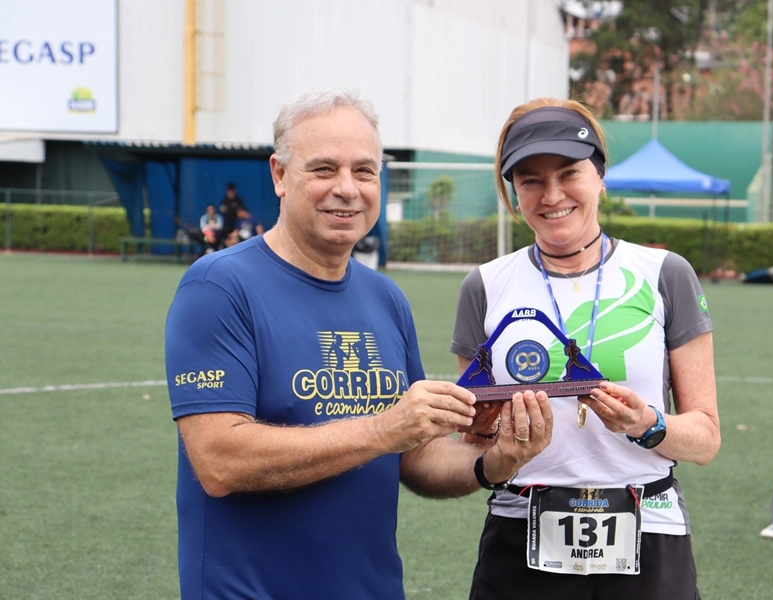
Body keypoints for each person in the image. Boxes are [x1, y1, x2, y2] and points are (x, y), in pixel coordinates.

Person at [164, 88, 553, 600]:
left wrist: (493, 462)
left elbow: (414, 456)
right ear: (280, 175)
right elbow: (219, 461)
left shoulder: (385, 298)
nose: (347, 189)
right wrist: (383, 428)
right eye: (324, 169)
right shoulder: (218, 287)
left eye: (364, 171)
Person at [451, 98, 720, 599]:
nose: (551, 195)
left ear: (599, 175)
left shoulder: (664, 274)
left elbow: (704, 438)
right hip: (520, 531)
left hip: (649, 525)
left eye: (569, 172)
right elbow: (474, 439)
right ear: (513, 192)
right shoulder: (485, 286)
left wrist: (648, 424)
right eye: (530, 179)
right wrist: (489, 434)